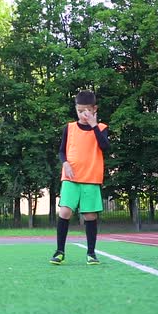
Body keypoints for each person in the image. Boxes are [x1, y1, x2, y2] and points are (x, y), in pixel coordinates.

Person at [50, 90, 110, 266]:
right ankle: (60, 251)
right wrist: (65, 163)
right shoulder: (69, 128)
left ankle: (91, 253)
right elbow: (61, 151)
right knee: (65, 211)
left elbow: (105, 146)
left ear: (94, 109)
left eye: (86, 111)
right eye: (79, 111)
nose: (83, 114)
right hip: (70, 177)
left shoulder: (101, 129)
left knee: (90, 216)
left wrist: (94, 125)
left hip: (91, 178)